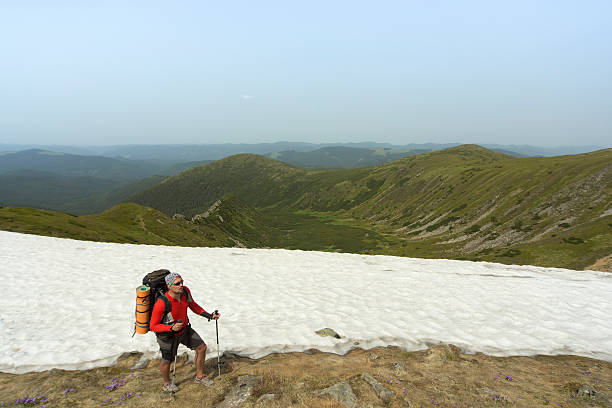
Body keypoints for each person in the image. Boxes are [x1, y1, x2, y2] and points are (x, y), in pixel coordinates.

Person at [149, 271, 220, 392]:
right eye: (177, 283)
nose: (181, 285)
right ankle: (166, 383)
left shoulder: (185, 292)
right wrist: (170, 328)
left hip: (184, 329)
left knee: (201, 348)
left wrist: (209, 316)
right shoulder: (162, 303)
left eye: (182, 282)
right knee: (167, 360)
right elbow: (153, 326)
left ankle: (199, 376)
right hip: (167, 336)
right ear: (169, 286)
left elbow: (193, 306)